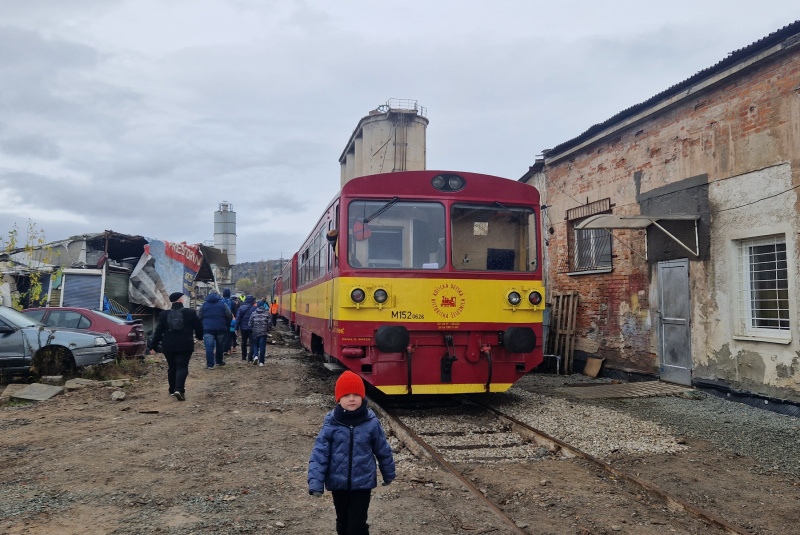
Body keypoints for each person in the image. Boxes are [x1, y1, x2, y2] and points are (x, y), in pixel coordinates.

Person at [308, 370, 395, 535]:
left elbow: (383, 450)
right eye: (346, 395)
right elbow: (319, 455)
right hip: (338, 484)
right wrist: (315, 483)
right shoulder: (331, 424)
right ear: (338, 399)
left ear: (362, 397)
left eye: (356, 394)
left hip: (363, 483)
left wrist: (388, 474)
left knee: (357, 524)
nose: (352, 398)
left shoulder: (371, 423)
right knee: (343, 522)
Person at [147, 292, 203, 401]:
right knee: (182, 366)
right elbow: (198, 327)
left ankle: (172, 389)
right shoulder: (190, 313)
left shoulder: (164, 314)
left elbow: (158, 331)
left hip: (169, 345)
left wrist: (153, 345)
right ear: (181, 300)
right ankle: (179, 389)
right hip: (185, 344)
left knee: (172, 366)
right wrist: (200, 337)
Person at [197, 289, 232, 369]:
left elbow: (199, 316)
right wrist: (225, 324)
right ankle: (219, 361)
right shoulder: (223, 304)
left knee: (209, 347)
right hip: (220, 328)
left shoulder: (204, 305)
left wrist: (203, 324)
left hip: (208, 329)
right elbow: (229, 315)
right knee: (220, 345)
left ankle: (210, 364)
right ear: (217, 295)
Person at [235, 294, 257, 362]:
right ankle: (250, 357)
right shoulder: (255, 308)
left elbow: (238, 319)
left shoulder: (241, 308)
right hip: (252, 328)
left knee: (243, 342)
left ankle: (244, 357)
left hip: (243, 328)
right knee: (252, 342)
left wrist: (236, 328)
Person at [249, 300, 271, 366]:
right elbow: (269, 323)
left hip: (255, 332)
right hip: (263, 332)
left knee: (255, 345)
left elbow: (250, 323)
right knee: (262, 347)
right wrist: (267, 329)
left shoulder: (253, 313)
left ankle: (255, 356)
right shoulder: (267, 313)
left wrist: (252, 329)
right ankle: (261, 362)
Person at [221, 288, 239, 355]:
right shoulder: (232, 302)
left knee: (221, 335)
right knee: (228, 335)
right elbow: (235, 312)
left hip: (221, 320)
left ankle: (221, 349)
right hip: (229, 320)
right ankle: (227, 349)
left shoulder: (221, 301)